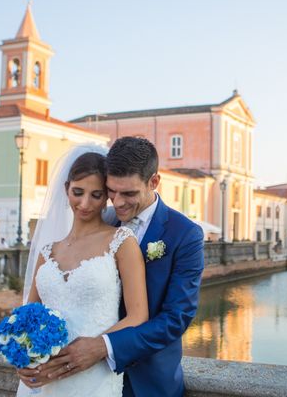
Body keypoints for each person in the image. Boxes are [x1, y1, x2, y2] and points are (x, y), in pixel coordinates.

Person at [30, 136, 205, 396]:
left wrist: (104, 346)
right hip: (77, 375)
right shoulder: (101, 222)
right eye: (111, 192)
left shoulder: (185, 234)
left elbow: (174, 319)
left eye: (129, 193)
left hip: (147, 381)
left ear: (154, 182)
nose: (118, 202)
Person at [16, 145, 148, 396]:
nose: (85, 203)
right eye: (78, 192)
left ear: (107, 197)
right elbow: (27, 316)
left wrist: (96, 346)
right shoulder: (47, 251)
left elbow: (138, 315)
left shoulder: (122, 241)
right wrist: (21, 357)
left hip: (93, 373)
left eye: (96, 195)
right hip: (44, 376)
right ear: (66, 189)